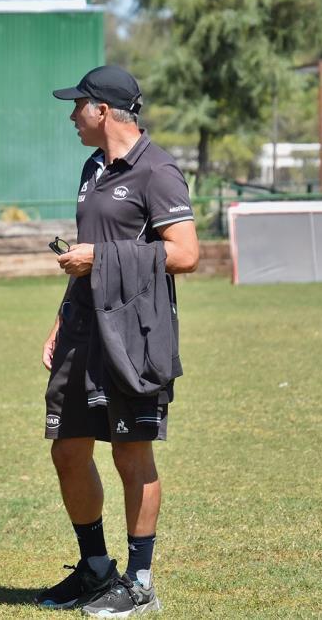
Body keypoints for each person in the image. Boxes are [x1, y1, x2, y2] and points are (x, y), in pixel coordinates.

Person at [36, 65, 199, 616]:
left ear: (102, 110)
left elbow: (186, 253)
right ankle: (96, 569)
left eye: (77, 105)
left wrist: (100, 257)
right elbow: (89, 251)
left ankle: (140, 582)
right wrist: (61, 319)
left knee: (131, 452)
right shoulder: (93, 167)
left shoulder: (158, 170)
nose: (71, 115)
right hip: (83, 328)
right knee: (67, 448)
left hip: (134, 334)